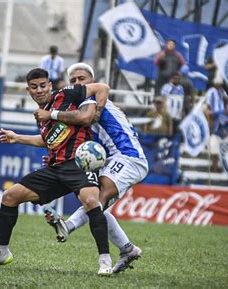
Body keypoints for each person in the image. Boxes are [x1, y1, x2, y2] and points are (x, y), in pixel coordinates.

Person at [0, 68, 113, 276]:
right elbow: (48, 140)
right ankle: (1, 252)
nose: (40, 90)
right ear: (29, 90)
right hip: (55, 168)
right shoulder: (40, 115)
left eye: (43, 85)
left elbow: (102, 87)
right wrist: (17, 137)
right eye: (34, 87)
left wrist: (97, 112)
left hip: (78, 164)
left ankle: (105, 260)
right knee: (9, 196)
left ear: (50, 85)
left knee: (90, 201)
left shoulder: (67, 94)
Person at [35, 63, 149, 274]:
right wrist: (54, 156)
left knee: (98, 199)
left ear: (92, 81)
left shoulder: (91, 101)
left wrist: (51, 114)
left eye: (82, 79)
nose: (78, 83)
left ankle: (67, 226)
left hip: (129, 156)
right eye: (74, 81)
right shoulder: (81, 107)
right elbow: (61, 138)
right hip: (112, 159)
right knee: (94, 205)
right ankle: (128, 249)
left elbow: (95, 102)